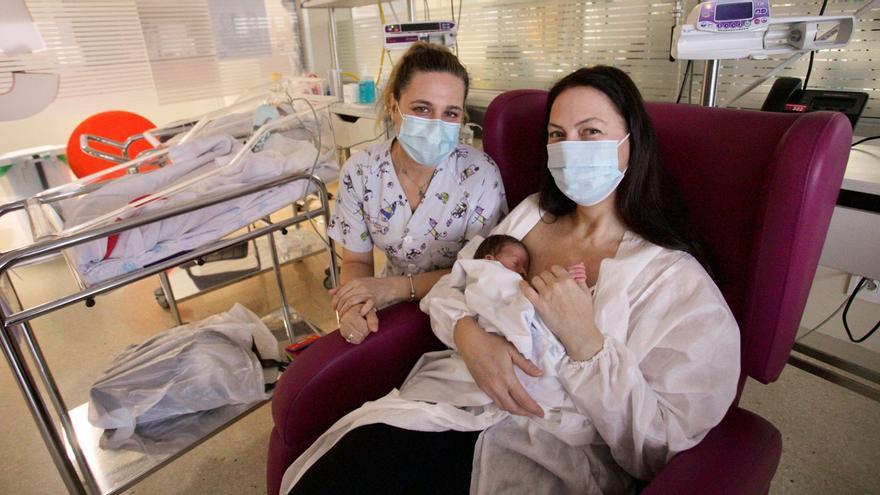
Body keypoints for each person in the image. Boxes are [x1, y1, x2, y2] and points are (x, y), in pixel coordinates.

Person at [283, 66, 740, 495]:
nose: (570, 147)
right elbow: (456, 283)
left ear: (631, 141)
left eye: (591, 132)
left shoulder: (671, 278)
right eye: (557, 135)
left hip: (547, 441)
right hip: (450, 401)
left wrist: (586, 343)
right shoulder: (530, 215)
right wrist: (468, 338)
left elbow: (657, 447)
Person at [327, 42, 507, 345]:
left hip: (464, 313)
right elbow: (356, 261)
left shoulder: (480, 177)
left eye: (450, 113)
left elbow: (482, 271)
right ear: (392, 104)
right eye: (422, 109)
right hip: (389, 310)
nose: (436, 125)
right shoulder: (360, 173)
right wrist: (355, 304)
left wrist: (395, 288)